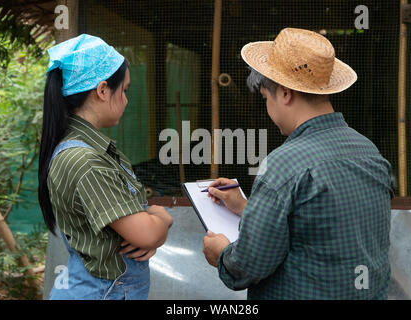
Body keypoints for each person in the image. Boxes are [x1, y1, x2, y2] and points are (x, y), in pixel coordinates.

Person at [202, 28, 393, 299]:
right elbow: (319, 228)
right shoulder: (369, 152)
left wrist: (220, 253)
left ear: (285, 93)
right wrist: (247, 208)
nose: (268, 110)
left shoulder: (283, 163)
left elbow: (247, 266)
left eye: (267, 99)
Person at [38, 34, 173, 300]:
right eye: (124, 90)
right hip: (103, 291)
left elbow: (137, 235)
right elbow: (146, 234)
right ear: (102, 90)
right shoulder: (86, 161)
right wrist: (163, 218)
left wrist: (152, 230)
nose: (125, 99)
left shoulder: (84, 149)